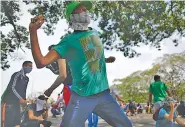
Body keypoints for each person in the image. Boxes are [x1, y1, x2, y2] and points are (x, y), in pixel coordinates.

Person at [29, 1, 133, 127]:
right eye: (80, 9)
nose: (85, 10)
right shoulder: (68, 41)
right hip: (82, 97)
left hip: (104, 95)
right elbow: (41, 62)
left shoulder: (94, 33)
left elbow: (89, 56)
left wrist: (105, 59)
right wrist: (33, 31)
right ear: (72, 16)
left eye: (85, 8)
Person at [1, 61, 33, 127]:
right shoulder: (16, 74)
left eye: (31, 67)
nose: (30, 68)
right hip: (9, 102)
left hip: (17, 104)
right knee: (8, 123)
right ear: (24, 66)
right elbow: (12, 87)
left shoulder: (26, 79)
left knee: (17, 123)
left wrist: (24, 100)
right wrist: (20, 98)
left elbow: (24, 91)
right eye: (29, 66)